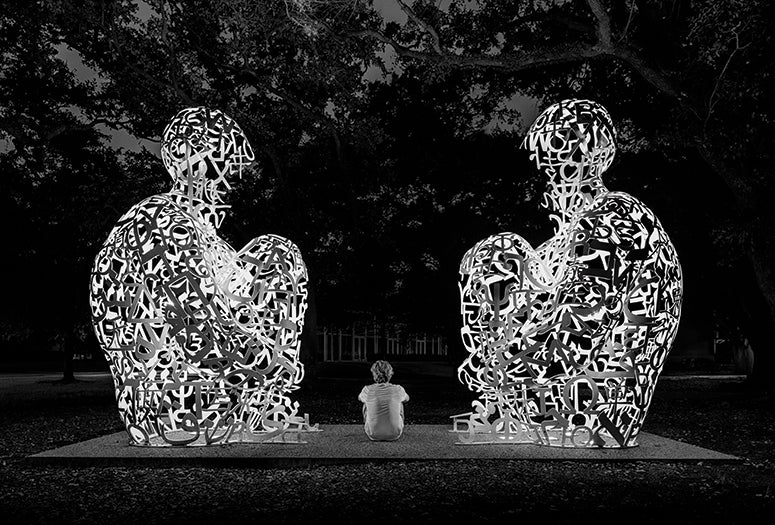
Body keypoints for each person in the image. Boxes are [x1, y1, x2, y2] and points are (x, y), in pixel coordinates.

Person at [358, 360, 410, 441]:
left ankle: (372, 426)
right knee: (400, 403)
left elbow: (359, 398)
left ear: (374, 374)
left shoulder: (367, 390)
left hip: (373, 434)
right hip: (395, 434)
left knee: (365, 404)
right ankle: (395, 426)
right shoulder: (398, 389)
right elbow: (407, 399)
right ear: (390, 374)